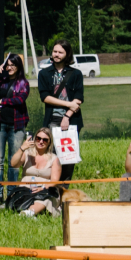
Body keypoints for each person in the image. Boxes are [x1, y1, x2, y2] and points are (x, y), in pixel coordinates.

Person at [0, 54, 32, 205]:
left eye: (13, 65)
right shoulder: (0, 81)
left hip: (16, 125)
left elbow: (19, 99)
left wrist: (0, 101)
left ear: (18, 66)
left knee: (14, 161)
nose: (10, 67)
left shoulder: (23, 83)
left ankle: (12, 194)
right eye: (8, 65)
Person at [38, 42, 86, 181]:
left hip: (71, 121)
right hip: (52, 120)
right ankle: (52, 191)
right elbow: (45, 97)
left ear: (67, 55)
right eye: (55, 51)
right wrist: (68, 104)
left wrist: (67, 115)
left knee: (68, 158)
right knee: (52, 157)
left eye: (60, 52)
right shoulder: (44, 73)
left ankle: (64, 191)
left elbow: (78, 98)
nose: (56, 55)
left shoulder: (76, 74)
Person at [9, 126, 65, 216]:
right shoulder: (27, 154)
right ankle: (31, 213)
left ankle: (28, 213)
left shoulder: (54, 159)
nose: (41, 142)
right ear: (35, 139)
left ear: (49, 142)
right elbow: (13, 164)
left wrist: (43, 187)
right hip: (25, 189)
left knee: (46, 199)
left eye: (45, 140)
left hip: (45, 190)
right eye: (38, 138)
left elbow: (55, 181)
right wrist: (22, 148)